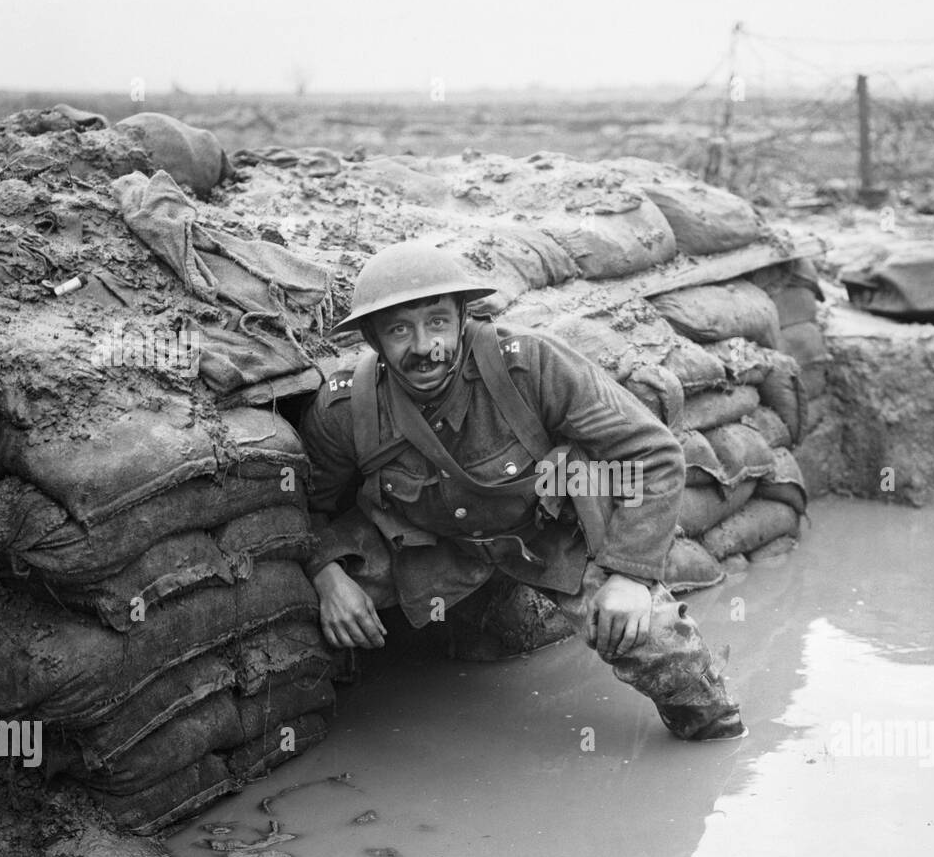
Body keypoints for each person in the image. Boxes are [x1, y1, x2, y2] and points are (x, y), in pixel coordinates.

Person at [298, 240, 744, 741]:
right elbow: (306, 508)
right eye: (400, 329)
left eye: (437, 321)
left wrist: (630, 576)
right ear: (374, 339)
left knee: (665, 651)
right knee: (297, 617)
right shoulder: (346, 410)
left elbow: (653, 454)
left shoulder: (530, 365)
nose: (424, 346)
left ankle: (708, 735)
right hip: (429, 548)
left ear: (463, 316)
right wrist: (325, 572)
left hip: (550, 537)